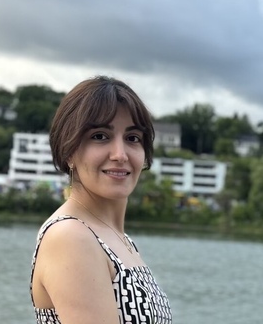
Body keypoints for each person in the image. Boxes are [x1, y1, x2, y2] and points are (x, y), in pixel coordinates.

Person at [29, 75, 172, 324]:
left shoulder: (120, 240)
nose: (120, 154)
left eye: (132, 138)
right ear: (69, 151)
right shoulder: (71, 236)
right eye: (100, 136)